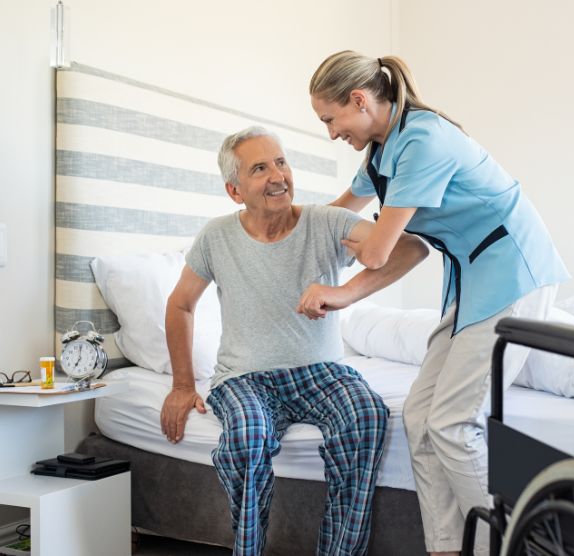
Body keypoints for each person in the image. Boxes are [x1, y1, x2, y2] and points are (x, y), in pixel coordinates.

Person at [306, 51, 570, 556]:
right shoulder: (382, 152)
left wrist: (339, 289)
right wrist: (285, 229)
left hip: (514, 273)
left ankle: (517, 545)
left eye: (330, 118)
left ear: (358, 100)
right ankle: (447, 547)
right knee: (418, 417)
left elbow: (383, 250)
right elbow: (339, 214)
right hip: (474, 281)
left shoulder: (424, 140)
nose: (331, 132)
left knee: (452, 422)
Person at [160, 126, 429, 556]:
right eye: (260, 168)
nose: (278, 176)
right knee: (248, 436)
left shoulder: (327, 222)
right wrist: (182, 385)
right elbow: (180, 305)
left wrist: (343, 294)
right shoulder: (216, 236)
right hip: (245, 379)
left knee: (366, 415)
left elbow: (410, 249)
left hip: (321, 372)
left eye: (282, 162)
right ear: (234, 190)